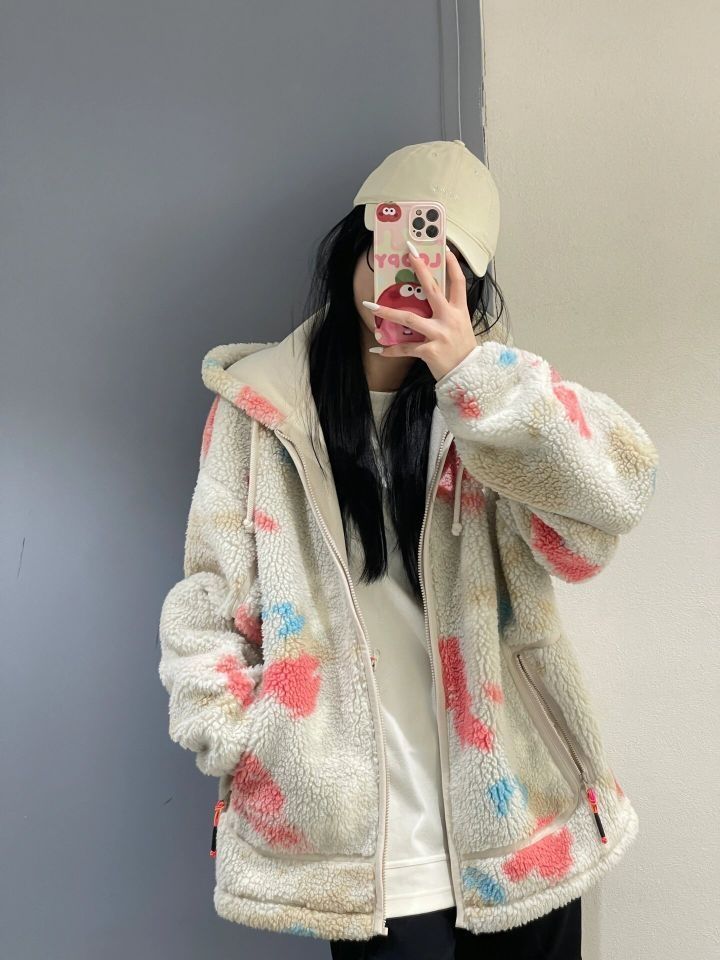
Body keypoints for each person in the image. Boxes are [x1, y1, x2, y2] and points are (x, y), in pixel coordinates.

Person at [158, 140, 658, 957]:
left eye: (439, 263)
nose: (408, 278)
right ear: (355, 247)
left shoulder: (500, 403)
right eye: (391, 249)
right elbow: (210, 600)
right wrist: (242, 738)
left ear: (471, 284)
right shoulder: (260, 411)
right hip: (363, 856)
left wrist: (472, 376)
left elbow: (604, 514)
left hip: (518, 830)